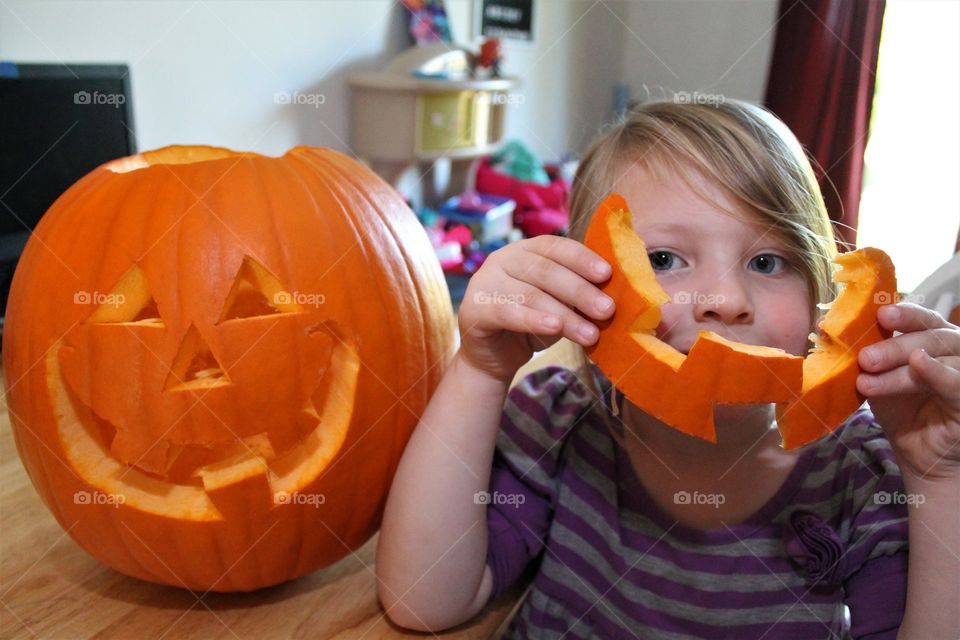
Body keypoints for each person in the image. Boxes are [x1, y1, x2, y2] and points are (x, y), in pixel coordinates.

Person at [375, 100, 960, 639]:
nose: (724, 299)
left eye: (766, 260)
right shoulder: (554, 422)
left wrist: (940, 480)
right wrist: (481, 370)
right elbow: (422, 600)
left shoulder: (866, 473)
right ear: (579, 284)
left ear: (817, 296)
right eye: (662, 259)